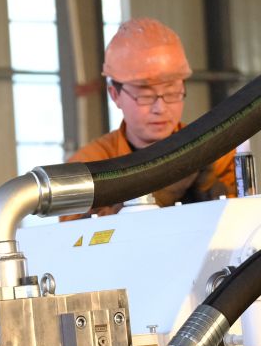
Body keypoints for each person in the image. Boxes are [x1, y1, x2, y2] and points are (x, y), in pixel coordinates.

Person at [66, 18, 235, 218]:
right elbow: (75, 232)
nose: (160, 108)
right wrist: (152, 199)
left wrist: (209, 193)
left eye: (172, 93)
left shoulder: (216, 154)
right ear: (115, 95)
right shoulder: (87, 168)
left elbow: (242, 220)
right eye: (145, 96)